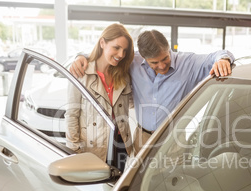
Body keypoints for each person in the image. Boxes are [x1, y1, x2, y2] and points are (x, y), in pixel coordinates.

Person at [70, 29, 235, 153]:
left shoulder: (188, 63)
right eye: (154, 62)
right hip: (142, 138)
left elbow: (220, 54)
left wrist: (223, 59)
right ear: (142, 57)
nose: (162, 66)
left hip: (173, 139)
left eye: (165, 58)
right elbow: (104, 57)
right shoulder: (133, 62)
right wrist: (80, 57)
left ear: (168, 48)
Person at [65, 23, 134, 171]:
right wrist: (74, 151)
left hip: (121, 145)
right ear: (102, 43)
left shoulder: (124, 75)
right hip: (93, 149)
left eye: (124, 50)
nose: (121, 55)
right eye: (116, 48)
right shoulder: (81, 73)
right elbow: (72, 115)